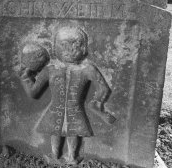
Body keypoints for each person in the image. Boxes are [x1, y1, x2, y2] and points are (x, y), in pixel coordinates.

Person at [20, 26, 115, 164]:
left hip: (75, 109)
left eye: (75, 45)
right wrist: (26, 77)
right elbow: (34, 92)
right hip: (55, 110)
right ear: (55, 47)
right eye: (64, 45)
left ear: (83, 48)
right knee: (56, 132)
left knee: (73, 132)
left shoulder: (87, 69)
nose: (69, 50)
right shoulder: (50, 69)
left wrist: (97, 102)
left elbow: (103, 89)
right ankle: (55, 155)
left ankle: (72, 157)